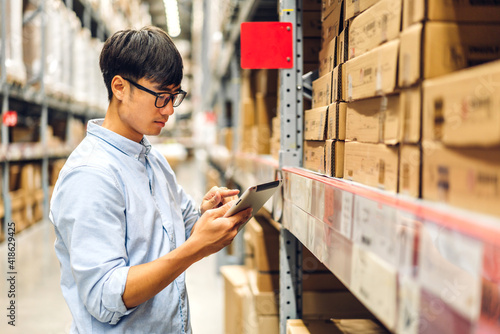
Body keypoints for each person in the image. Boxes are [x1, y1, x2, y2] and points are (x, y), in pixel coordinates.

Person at [49, 26, 252, 333]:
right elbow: (105, 297)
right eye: (161, 96)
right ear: (119, 87)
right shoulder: (91, 176)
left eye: (175, 96)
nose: (170, 109)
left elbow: (182, 230)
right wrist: (195, 249)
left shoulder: (152, 159)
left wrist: (205, 214)